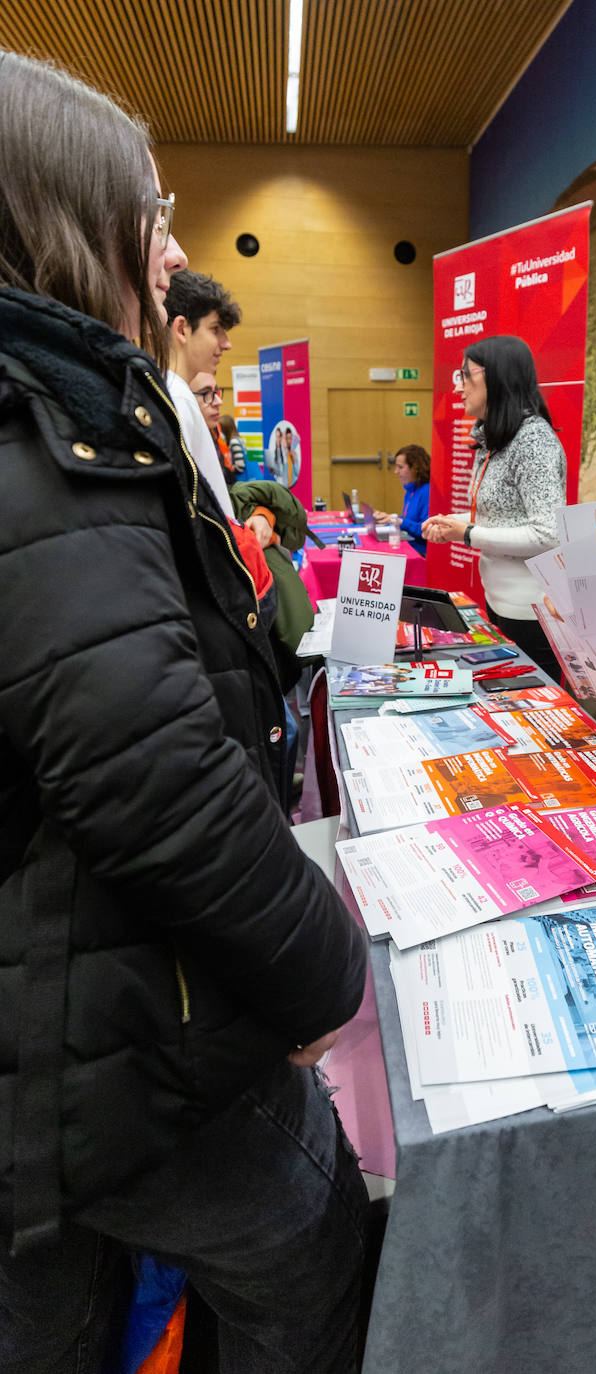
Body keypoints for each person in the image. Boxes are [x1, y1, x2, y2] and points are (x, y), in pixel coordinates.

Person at [0, 51, 368, 1371]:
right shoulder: (45, 440)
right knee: (310, 1255)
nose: (168, 251)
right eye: (147, 210)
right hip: (113, 1039)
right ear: (61, 213)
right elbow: (147, 769)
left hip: (63, 1031)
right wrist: (325, 968)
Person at [423, 335, 566, 679]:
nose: (459, 388)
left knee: (532, 711)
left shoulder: (533, 440)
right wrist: (452, 524)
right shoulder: (494, 438)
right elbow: (497, 517)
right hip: (500, 601)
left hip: (531, 612)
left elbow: (548, 534)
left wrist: (468, 533)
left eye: (466, 375)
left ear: (497, 377)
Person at [164, 268, 239, 519]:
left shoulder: (173, 392)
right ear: (182, 329)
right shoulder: (178, 398)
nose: (226, 343)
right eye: (215, 329)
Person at [373, 444, 431, 553]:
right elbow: (409, 521)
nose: (396, 471)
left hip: (420, 552)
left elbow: (425, 530)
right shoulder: (410, 490)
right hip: (409, 546)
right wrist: (388, 518)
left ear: (415, 468)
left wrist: (398, 521)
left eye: (400, 467)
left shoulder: (427, 492)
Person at [220, 411, 248, 480]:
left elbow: (240, 466)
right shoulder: (237, 439)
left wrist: (228, 469)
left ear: (225, 429)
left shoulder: (234, 442)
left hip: (240, 480)